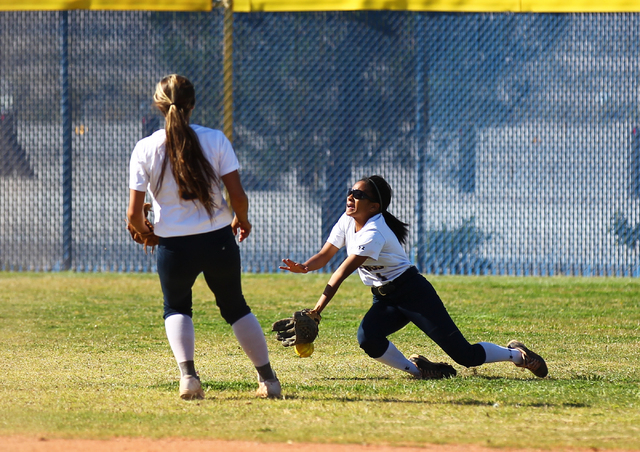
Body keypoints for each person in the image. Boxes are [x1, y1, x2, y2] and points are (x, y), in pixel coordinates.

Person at [280, 175, 548, 380]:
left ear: (374, 207)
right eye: (351, 191)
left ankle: (517, 354)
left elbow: (341, 272)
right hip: (384, 298)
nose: (351, 196)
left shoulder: (375, 232)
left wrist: (317, 310)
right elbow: (326, 255)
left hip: (413, 293)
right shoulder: (348, 220)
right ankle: (420, 371)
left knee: (465, 356)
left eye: (358, 194)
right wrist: (305, 266)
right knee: (368, 338)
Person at [128, 74, 281, 400]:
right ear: (193, 104)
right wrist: (242, 218)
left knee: (177, 307)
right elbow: (237, 195)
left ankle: (189, 378)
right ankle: (268, 380)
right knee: (236, 306)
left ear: (157, 105)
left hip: (174, 245)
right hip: (218, 239)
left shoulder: (145, 148)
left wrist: (146, 234)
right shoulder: (215, 140)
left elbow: (133, 215)